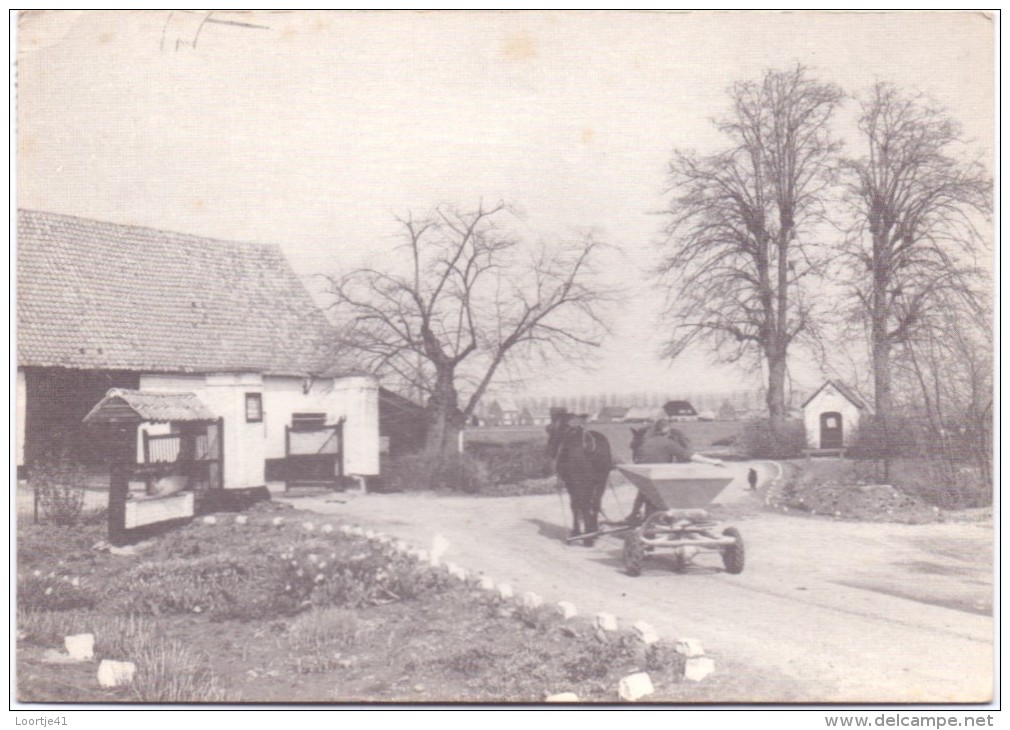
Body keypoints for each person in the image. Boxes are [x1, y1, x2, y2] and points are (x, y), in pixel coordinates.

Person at [627, 419, 724, 522]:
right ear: (667, 430)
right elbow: (689, 455)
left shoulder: (646, 442)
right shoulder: (668, 443)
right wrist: (713, 461)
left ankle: (636, 514)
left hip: (646, 475)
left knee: (645, 491)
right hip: (659, 476)